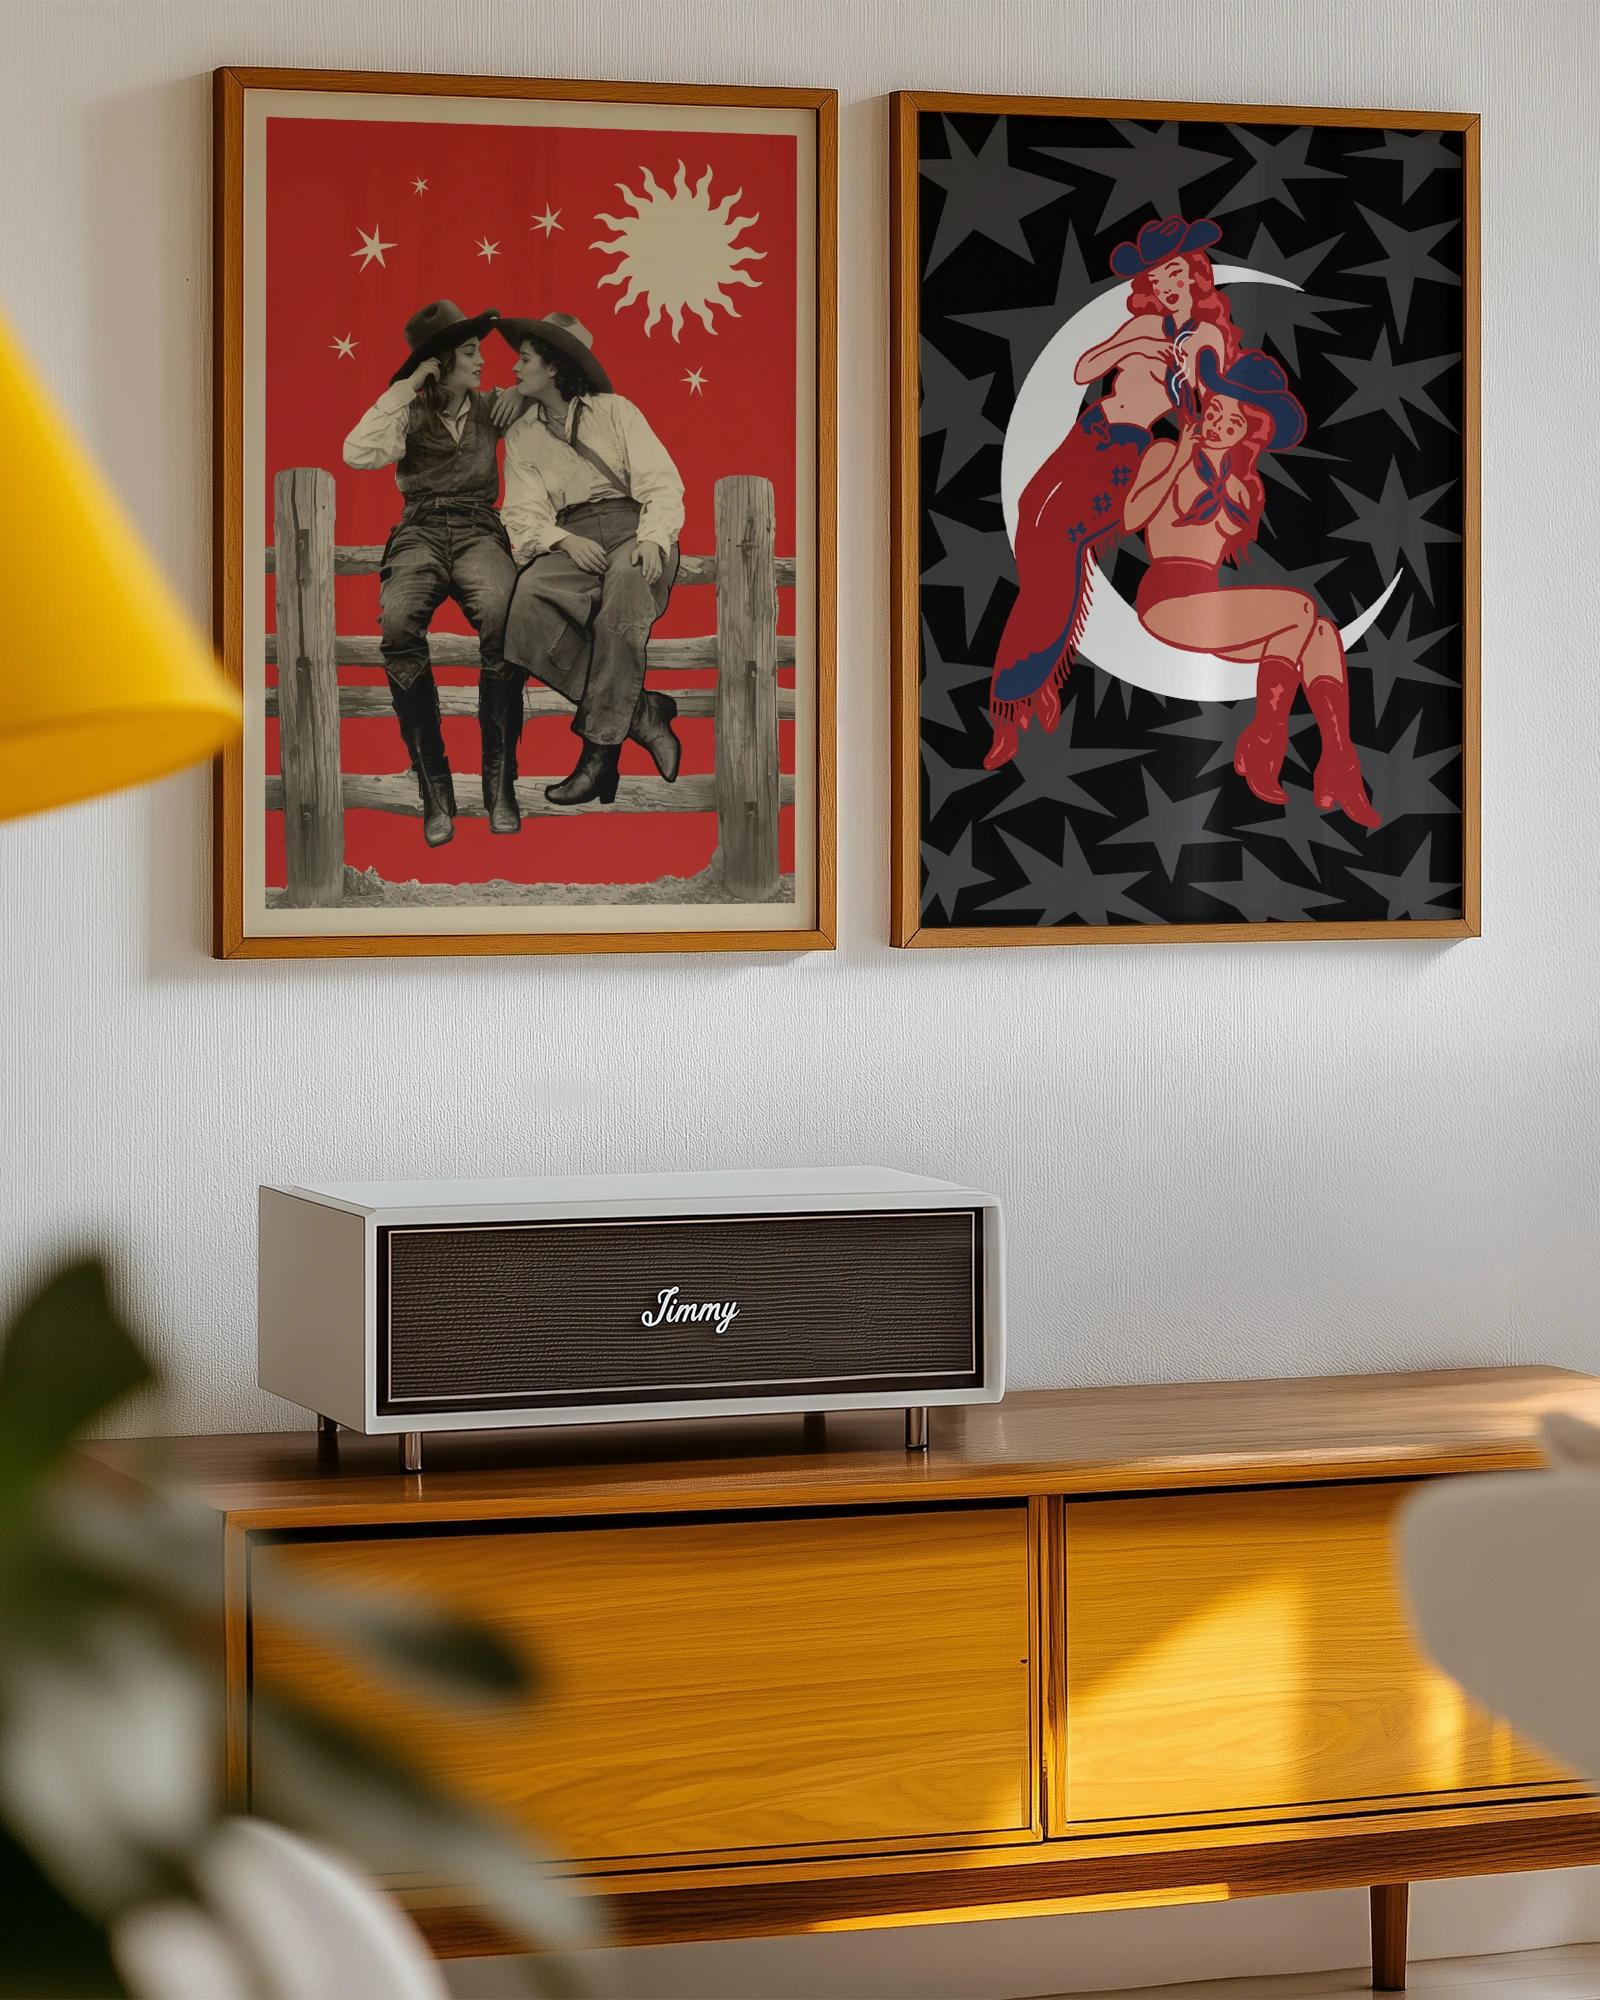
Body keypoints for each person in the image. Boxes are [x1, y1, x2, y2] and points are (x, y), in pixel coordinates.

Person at [984, 216, 1243, 770]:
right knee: (1033, 524)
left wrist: (1185, 368)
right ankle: (1042, 673)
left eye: (1176, 271)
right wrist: (1131, 341)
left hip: (1127, 454)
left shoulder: (1205, 337)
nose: (1168, 284)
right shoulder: (1144, 328)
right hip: (1091, 431)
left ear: (1194, 274)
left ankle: (1015, 705)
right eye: (1158, 277)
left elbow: (1209, 399)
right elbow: (1083, 368)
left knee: (1059, 552)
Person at [1120, 347, 1381, 828]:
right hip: (1167, 598)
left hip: (1208, 605)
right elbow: (1132, 517)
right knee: (1301, 609)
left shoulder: (1241, 490)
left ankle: (1338, 762)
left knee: (1320, 632)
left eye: (1233, 421)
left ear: (1248, 434)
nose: (1219, 423)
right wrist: (1179, 457)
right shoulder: (1165, 451)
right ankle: (1270, 741)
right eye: (1215, 409)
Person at [342, 299, 524, 845]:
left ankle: (499, 785)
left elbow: (552, 402)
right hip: (419, 530)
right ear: (440, 363)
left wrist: (525, 392)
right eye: (469, 352)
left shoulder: (496, 407)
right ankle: (434, 790)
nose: (482, 362)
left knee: (502, 616)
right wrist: (404, 387)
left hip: (478, 529)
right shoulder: (409, 411)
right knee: (397, 625)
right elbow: (356, 453)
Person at [495, 313, 685, 808]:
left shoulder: (615, 411)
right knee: (527, 603)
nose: (514, 368)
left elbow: (662, 480)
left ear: (554, 367)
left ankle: (597, 756)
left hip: (634, 529)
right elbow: (522, 512)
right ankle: (643, 712)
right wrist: (561, 540)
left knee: (624, 588)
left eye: (525, 360)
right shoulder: (520, 436)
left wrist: (652, 537)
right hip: (572, 536)